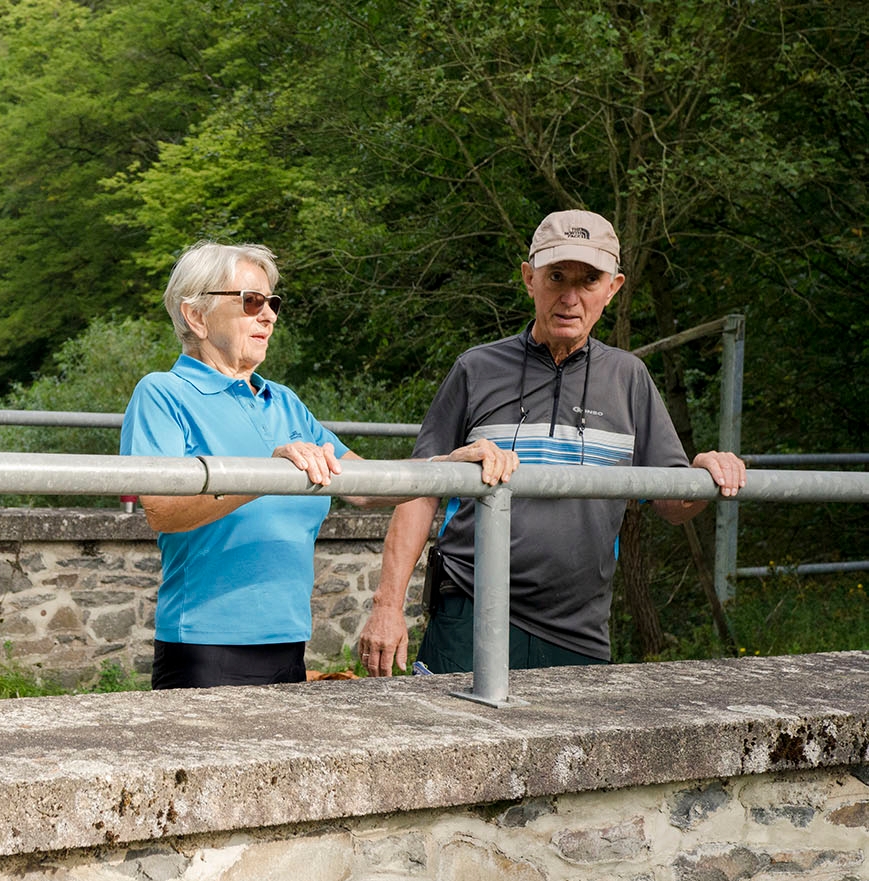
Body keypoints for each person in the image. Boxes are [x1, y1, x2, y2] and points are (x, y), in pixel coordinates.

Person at [357, 209, 746, 677]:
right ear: (529, 279)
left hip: (578, 628)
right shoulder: (475, 369)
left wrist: (703, 475)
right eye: (556, 276)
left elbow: (670, 502)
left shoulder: (630, 379)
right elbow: (421, 488)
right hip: (469, 609)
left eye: (588, 280)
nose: (570, 297)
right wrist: (387, 605)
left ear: (613, 288)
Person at [120, 241, 511, 690]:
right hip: (205, 646)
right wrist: (268, 475)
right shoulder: (162, 393)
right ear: (196, 316)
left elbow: (365, 487)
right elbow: (161, 511)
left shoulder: (284, 402)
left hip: (288, 642)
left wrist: (446, 463)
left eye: (273, 303)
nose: (268, 315)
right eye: (251, 302)